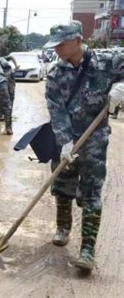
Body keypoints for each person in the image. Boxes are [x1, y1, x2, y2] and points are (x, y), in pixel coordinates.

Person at [43, 20, 124, 272]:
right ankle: (63, 227)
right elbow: (57, 112)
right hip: (66, 140)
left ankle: (87, 250)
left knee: (91, 193)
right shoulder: (56, 74)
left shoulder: (109, 60)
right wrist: (65, 142)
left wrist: (121, 85)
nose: (56, 49)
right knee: (63, 185)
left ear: (78, 40)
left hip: (95, 142)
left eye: (61, 44)